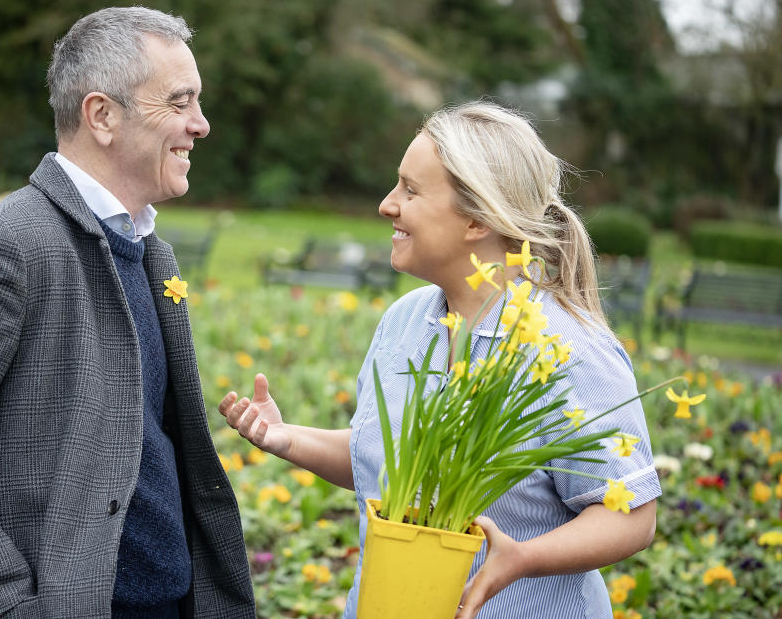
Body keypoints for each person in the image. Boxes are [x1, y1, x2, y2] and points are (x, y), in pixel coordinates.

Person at [0, 6, 254, 619]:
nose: (201, 125)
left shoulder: (150, 250)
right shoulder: (9, 245)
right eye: (179, 103)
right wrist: (5, 599)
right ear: (102, 115)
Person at [219, 101, 659, 618]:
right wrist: (288, 438)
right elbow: (390, 464)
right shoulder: (407, 321)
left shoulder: (569, 348)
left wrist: (520, 559)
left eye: (410, 189)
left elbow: (631, 516)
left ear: (476, 219)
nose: (387, 204)